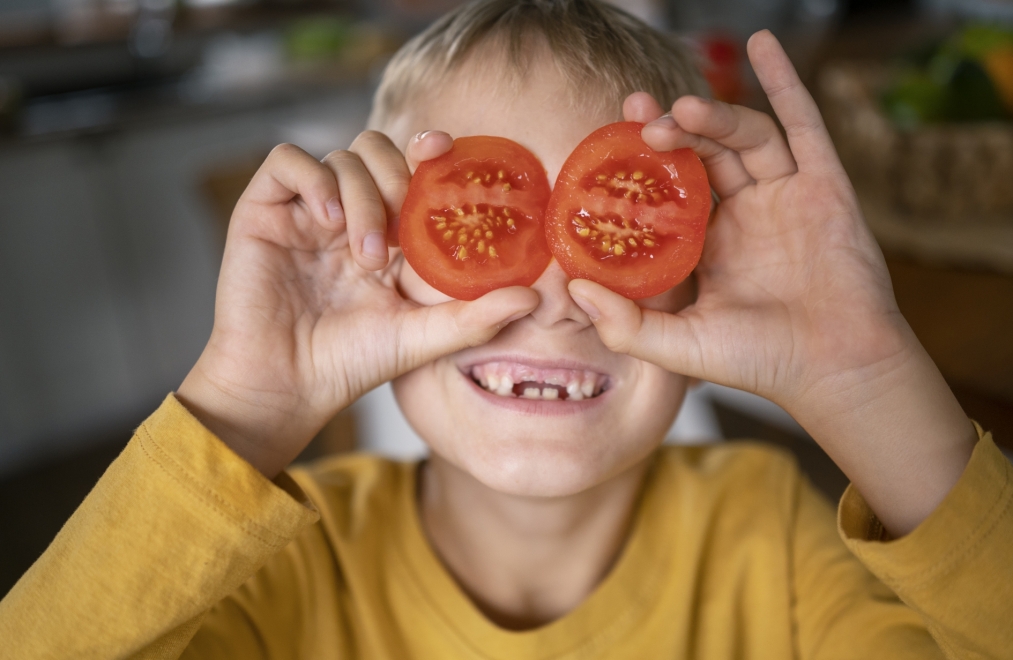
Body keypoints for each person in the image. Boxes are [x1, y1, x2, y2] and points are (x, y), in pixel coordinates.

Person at [1, 1, 1010, 657]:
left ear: (699, 281)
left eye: (614, 237)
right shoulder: (283, 575)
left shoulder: (767, 541)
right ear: (383, 262)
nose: (551, 298)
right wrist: (245, 412)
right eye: (484, 232)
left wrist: (865, 381)